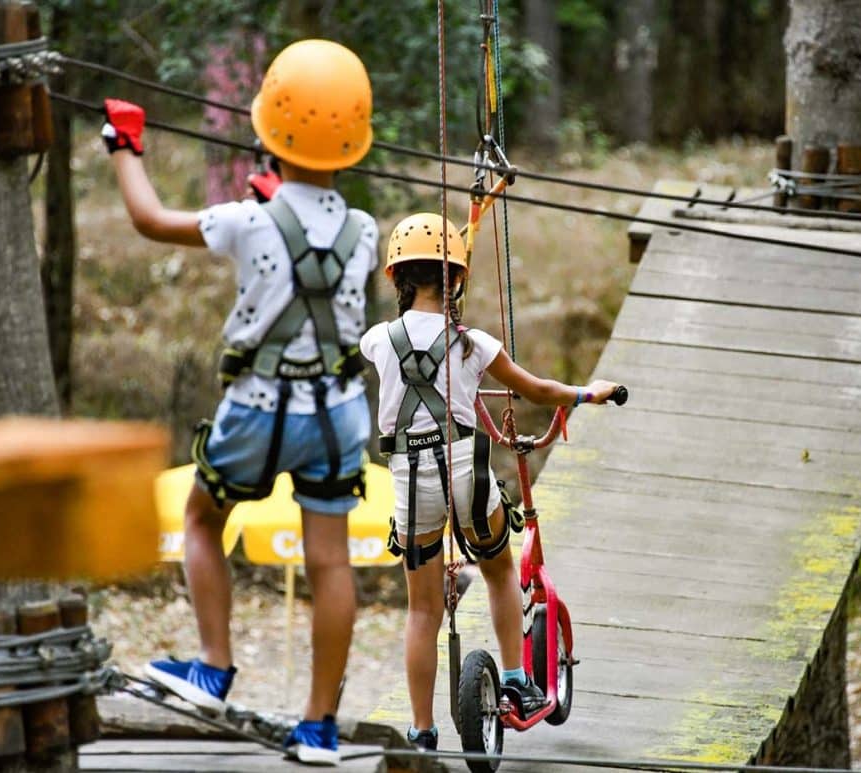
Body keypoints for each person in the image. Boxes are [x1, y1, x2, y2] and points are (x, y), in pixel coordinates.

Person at [100, 39, 378, 766]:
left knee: (201, 515)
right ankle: (319, 726)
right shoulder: (366, 232)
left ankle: (213, 666)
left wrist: (124, 146)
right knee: (330, 562)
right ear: (352, 145)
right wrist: (271, 201)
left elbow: (151, 219)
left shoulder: (244, 220)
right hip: (339, 413)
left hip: (260, 405)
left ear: (268, 133)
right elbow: (310, 245)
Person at [359, 213, 621, 750]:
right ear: (456, 279)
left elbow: (410, 330)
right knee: (500, 571)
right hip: (464, 474)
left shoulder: (377, 341)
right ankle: (518, 680)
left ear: (395, 278)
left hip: (410, 480)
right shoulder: (472, 344)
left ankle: (422, 730)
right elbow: (538, 389)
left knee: (423, 609)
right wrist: (586, 393)